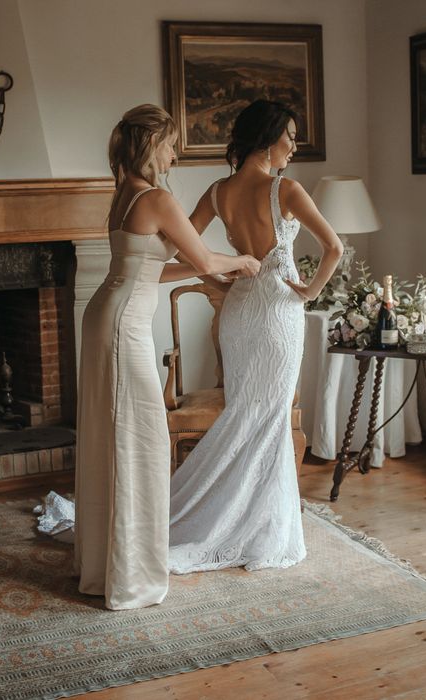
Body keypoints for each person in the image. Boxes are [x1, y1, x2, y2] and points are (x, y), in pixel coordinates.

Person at [75, 104, 260, 610]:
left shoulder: (125, 194)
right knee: (140, 438)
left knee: (116, 437)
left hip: (106, 318)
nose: (175, 153)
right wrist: (239, 261)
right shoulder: (155, 197)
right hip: (121, 328)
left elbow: (151, 271)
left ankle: (106, 565)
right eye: (171, 143)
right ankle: (129, 575)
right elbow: (200, 256)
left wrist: (211, 275)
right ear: (151, 144)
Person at [167, 100, 344, 574]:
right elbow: (334, 247)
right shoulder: (285, 189)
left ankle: (245, 520)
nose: (293, 146)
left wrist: (215, 279)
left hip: (240, 312)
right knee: (267, 419)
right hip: (277, 315)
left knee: (250, 412)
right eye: (289, 136)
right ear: (267, 140)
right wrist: (308, 291)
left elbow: (188, 249)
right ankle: (257, 529)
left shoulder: (218, 191)